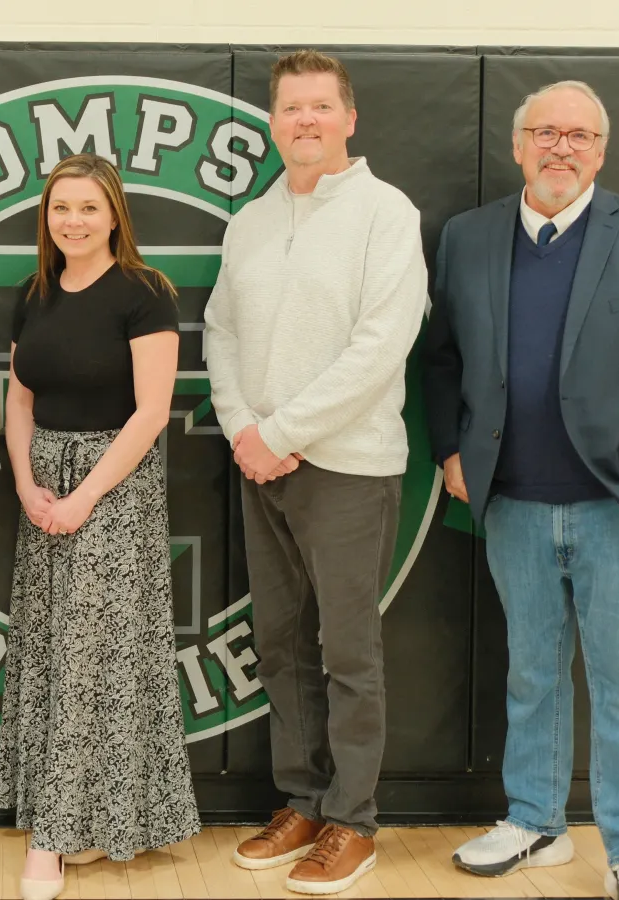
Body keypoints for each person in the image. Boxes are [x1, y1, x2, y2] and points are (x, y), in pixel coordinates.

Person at [424, 81, 619, 900]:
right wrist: (451, 451)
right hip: (513, 501)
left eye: (580, 136)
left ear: (601, 150)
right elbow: (443, 357)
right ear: (519, 144)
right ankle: (536, 822)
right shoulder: (467, 237)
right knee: (532, 672)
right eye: (546, 133)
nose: (562, 148)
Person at [204, 50, 428, 895]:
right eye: (291, 108)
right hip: (262, 464)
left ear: (349, 119)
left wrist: (286, 431)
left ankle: (353, 821)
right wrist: (244, 429)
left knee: (348, 651)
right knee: (280, 644)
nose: (304, 121)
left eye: (320, 108)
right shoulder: (252, 220)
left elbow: (381, 344)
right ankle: (300, 800)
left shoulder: (385, 213)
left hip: (349, 466)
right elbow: (220, 332)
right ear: (274, 122)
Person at [0, 153, 199, 900]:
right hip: (43, 481)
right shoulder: (33, 293)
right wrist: (26, 481)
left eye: (87, 207)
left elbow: (150, 412)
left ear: (114, 215)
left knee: (94, 659)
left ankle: (52, 842)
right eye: (60, 208)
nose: (72, 220)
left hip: (116, 485)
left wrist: (85, 497)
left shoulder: (145, 294)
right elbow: (19, 398)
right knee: (52, 651)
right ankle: (71, 819)